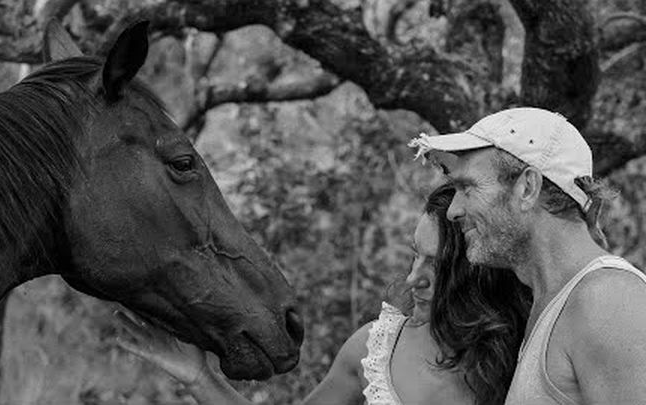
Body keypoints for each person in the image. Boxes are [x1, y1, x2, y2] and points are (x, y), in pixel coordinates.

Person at [116, 184, 532, 405]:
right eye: (414, 256)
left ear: (481, 273)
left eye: (437, 266)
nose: (413, 279)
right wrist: (198, 378)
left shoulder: (529, 356)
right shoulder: (375, 350)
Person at [409, 106, 646, 404]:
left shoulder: (607, 300)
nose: (453, 211)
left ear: (528, 188)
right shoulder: (551, 302)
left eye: (467, 187)